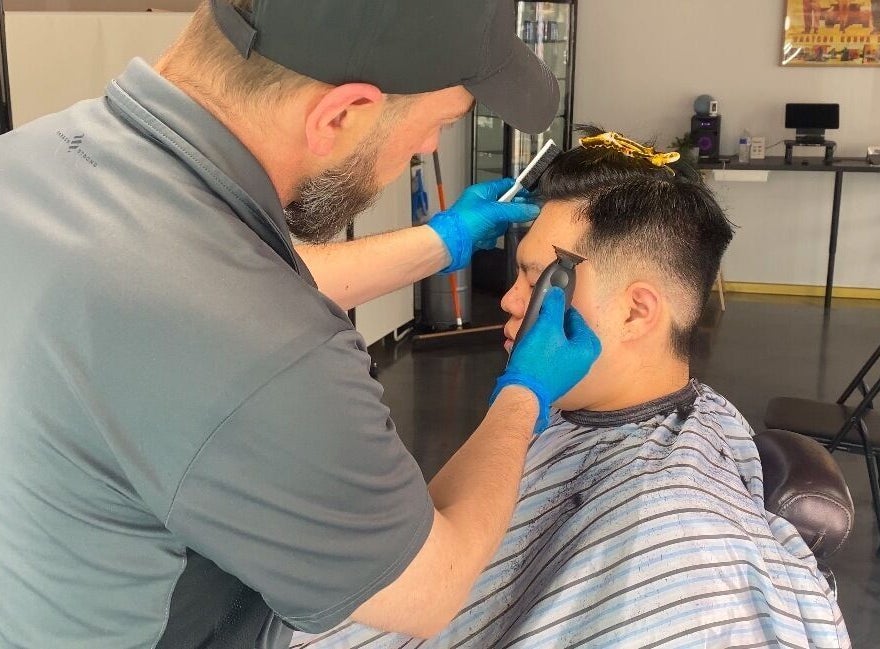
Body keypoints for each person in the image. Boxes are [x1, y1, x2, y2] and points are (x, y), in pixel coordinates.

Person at [0, 1, 602, 648]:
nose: (426, 149)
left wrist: (443, 240)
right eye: (438, 125)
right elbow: (433, 587)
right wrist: (526, 388)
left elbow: (221, 278)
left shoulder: (13, 164)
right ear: (339, 115)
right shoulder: (264, 353)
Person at [289, 128, 852, 648]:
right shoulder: (560, 413)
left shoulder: (682, 543)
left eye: (537, 279)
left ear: (636, 312)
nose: (510, 301)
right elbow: (433, 540)